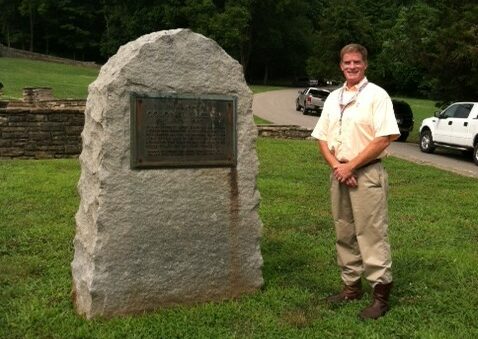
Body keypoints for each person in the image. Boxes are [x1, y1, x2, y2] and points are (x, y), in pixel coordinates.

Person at [311, 43, 400, 320]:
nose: (352, 67)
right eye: (347, 62)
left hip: (366, 173)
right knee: (344, 230)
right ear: (341, 65)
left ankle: (380, 295)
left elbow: (384, 137)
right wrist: (339, 166)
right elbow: (322, 138)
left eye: (356, 63)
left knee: (371, 232)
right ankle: (351, 287)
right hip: (340, 172)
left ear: (365, 65)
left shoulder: (377, 96)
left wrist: (351, 165)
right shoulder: (333, 97)